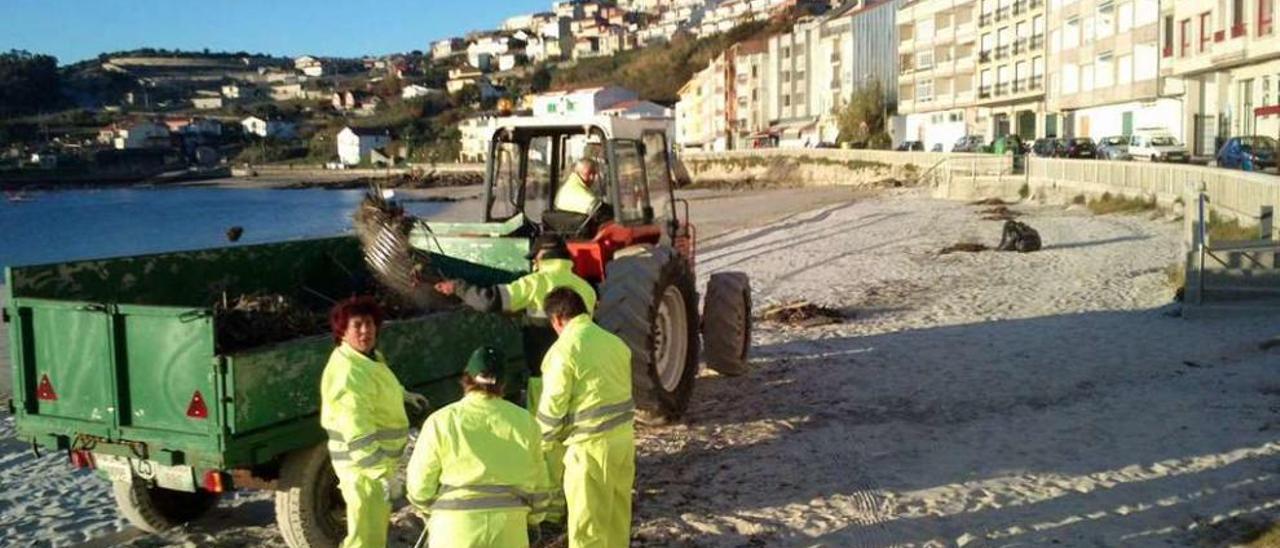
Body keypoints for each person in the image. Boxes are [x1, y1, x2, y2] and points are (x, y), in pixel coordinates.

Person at [406, 346, 552, 548]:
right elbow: (540, 486)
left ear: (466, 379)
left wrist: (433, 510)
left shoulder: (441, 421)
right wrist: (533, 520)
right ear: (503, 382)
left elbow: (418, 487)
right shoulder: (526, 422)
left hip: (455, 531)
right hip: (508, 530)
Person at [320, 296, 430, 548]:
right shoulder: (349, 373)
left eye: (369, 324)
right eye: (356, 325)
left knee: (374, 533)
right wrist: (380, 474)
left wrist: (404, 395)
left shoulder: (369, 357)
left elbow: (380, 385)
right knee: (364, 538)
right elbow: (357, 429)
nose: (365, 331)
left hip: (375, 467)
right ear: (342, 332)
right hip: (362, 470)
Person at [537, 288, 635, 548]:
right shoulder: (616, 344)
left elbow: (552, 407)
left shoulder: (563, 352)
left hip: (590, 449)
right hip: (623, 443)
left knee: (587, 529)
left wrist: (541, 443)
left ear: (557, 319)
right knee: (616, 519)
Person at [433, 235, 596, 319]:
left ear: (541, 257)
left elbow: (488, 301)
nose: (534, 264)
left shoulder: (534, 283)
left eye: (534, 259)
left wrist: (458, 287)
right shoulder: (586, 288)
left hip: (544, 374)